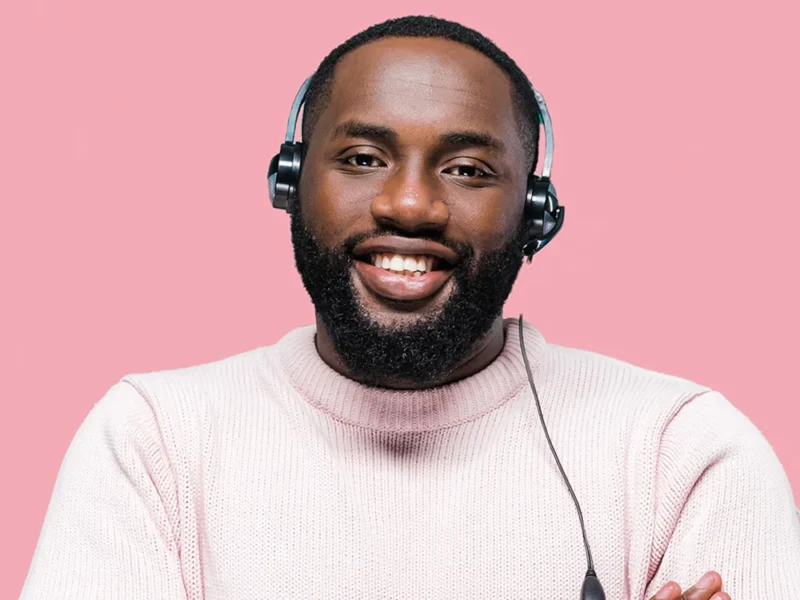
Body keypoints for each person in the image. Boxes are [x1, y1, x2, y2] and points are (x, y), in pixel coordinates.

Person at [20, 15, 800, 600]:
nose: (411, 204)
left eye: (466, 169)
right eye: (363, 159)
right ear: (291, 182)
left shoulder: (683, 452)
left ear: (535, 214)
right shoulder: (151, 442)